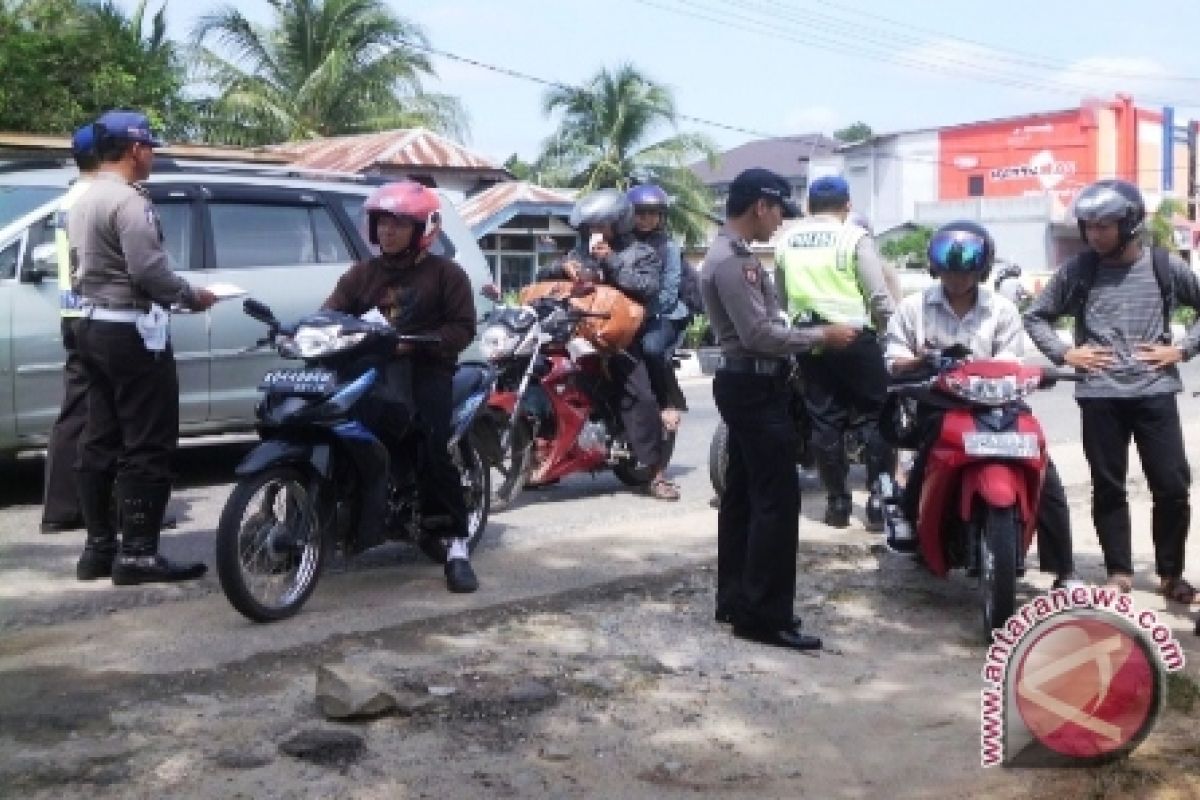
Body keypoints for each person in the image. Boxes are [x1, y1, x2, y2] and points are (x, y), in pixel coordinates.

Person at [702, 167, 859, 652]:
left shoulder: (732, 254)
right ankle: (765, 615)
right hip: (752, 384)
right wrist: (823, 337)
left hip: (747, 384)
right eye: (777, 214)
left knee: (745, 497)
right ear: (760, 207)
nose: (779, 225)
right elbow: (759, 335)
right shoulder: (734, 261)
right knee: (776, 501)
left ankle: (736, 600)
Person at [1025, 179, 1200, 602]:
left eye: (1104, 225)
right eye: (1088, 226)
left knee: (1173, 485)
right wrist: (1066, 355)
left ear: (1130, 223)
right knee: (1108, 486)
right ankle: (1119, 570)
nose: (1094, 234)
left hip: (1154, 391)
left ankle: (1171, 574)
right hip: (1099, 394)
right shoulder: (1078, 271)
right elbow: (1036, 317)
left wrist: (1182, 349)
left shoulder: (1164, 266)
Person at [884, 221, 1080, 588]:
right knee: (928, 450)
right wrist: (920, 362)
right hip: (941, 401)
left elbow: (1010, 360)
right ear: (935, 268)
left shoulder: (1002, 310)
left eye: (966, 270)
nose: (957, 278)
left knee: (1043, 467)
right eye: (949, 270)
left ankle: (1064, 568)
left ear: (982, 270)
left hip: (999, 402)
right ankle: (910, 518)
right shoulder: (914, 308)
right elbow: (894, 357)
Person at [69, 110, 217, 584]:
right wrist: (191, 297)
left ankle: (98, 550)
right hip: (130, 330)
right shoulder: (131, 204)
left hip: (92, 324)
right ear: (135, 150)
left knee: (100, 435)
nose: (152, 155)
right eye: (150, 147)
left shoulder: (86, 197)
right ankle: (136, 555)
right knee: (148, 441)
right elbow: (149, 273)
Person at [323, 181, 480, 593]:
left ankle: (456, 544)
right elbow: (330, 314)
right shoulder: (361, 275)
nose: (387, 232)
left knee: (432, 444)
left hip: (426, 370)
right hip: (370, 370)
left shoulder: (447, 274)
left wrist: (417, 343)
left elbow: (463, 328)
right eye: (381, 224)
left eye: (397, 224)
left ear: (422, 229)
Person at [536, 189, 679, 500]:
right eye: (590, 227)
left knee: (638, 396)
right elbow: (544, 274)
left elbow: (647, 287)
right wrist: (561, 268)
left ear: (619, 223)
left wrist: (610, 261)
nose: (594, 232)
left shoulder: (641, 253)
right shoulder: (580, 253)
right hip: (580, 333)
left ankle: (656, 473)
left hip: (622, 338)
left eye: (601, 225)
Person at [774, 175, 896, 530]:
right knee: (876, 415)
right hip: (854, 336)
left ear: (809, 206)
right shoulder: (853, 237)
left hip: (810, 340)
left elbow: (781, 297)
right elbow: (877, 294)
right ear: (847, 205)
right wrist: (893, 329)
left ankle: (837, 504)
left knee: (823, 419)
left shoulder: (787, 240)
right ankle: (877, 500)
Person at [39, 124, 99, 533]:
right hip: (98, 315)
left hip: (72, 312)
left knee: (76, 412)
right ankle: (123, 509)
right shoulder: (96, 200)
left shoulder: (68, 198)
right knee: (117, 413)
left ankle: (62, 508)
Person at [627, 183, 689, 432]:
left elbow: (669, 291)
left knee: (651, 348)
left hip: (664, 314)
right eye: (640, 213)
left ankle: (665, 402)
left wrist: (643, 313)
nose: (646, 219)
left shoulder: (669, 247)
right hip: (628, 313)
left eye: (652, 213)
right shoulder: (622, 244)